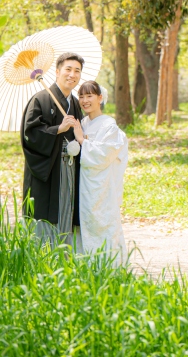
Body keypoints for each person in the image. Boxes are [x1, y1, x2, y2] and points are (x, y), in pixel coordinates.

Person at [21, 52, 84, 246]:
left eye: (77, 71)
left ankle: (65, 256)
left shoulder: (74, 103)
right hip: (48, 168)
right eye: (68, 69)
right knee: (45, 215)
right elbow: (29, 134)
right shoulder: (40, 100)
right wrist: (58, 129)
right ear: (57, 72)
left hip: (69, 168)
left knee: (66, 209)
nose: (72, 74)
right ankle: (43, 258)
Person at [72, 80, 128, 263]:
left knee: (102, 221)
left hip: (101, 185)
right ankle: (87, 265)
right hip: (84, 183)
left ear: (100, 98)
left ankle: (109, 266)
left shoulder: (108, 126)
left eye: (89, 96)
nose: (85, 100)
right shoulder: (82, 122)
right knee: (85, 223)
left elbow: (104, 155)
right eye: (81, 96)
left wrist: (83, 142)